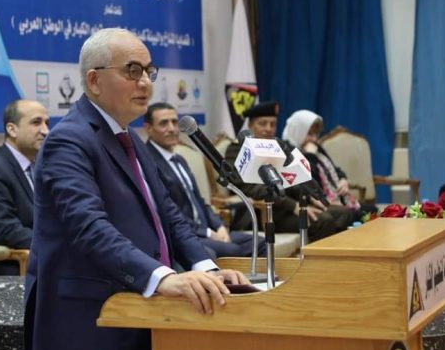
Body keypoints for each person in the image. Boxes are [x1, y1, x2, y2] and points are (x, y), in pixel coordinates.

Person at [23, 28, 248, 350]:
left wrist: (206, 268)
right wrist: (161, 277)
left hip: (140, 307)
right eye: (132, 70)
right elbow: (89, 227)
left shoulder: (129, 138)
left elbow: (168, 214)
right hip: (91, 318)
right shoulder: (68, 141)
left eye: (148, 71)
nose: (145, 82)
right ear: (94, 80)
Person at [144, 102, 266, 258]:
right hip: (183, 236)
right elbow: (167, 212)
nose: (172, 128)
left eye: (174, 122)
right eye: (164, 123)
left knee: (260, 243)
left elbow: (200, 201)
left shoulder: (179, 159)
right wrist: (209, 233)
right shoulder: (148, 162)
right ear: (148, 128)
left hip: (207, 231)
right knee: (232, 250)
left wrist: (219, 226)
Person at [224, 101, 352, 241]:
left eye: (273, 124)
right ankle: (314, 256)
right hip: (263, 212)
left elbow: (292, 177)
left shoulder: (275, 146)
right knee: (322, 221)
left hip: (289, 206)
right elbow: (251, 188)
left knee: (343, 213)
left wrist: (310, 198)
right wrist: (293, 206)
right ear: (250, 125)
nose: (268, 129)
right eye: (263, 124)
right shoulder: (237, 150)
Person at [0, 99, 49, 275]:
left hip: (43, 258)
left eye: (47, 123)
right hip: (14, 267)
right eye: (36, 123)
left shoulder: (38, 164)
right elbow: (4, 230)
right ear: (12, 129)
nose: (46, 131)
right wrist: (54, 243)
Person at [282, 110, 376, 222]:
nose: (314, 139)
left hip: (339, 199)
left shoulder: (316, 148)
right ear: (298, 132)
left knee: (372, 210)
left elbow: (336, 169)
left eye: (316, 134)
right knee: (352, 214)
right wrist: (310, 156)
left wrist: (343, 180)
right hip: (318, 203)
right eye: (310, 134)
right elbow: (309, 182)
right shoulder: (289, 153)